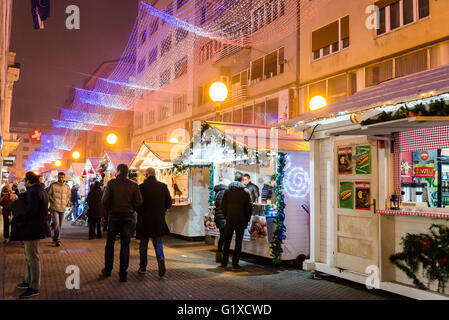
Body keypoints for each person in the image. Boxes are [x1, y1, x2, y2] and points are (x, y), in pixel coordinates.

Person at [12, 172, 51, 299]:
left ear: (28, 180)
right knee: (29, 256)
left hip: (33, 228)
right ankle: (28, 281)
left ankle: (34, 286)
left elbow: (31, 211)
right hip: (35, 228)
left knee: (32, 257)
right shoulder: (40, 190)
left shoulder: (34, 192)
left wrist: (16, 217)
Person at [101, 164, 142, 282]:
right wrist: (131, 209)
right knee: (125, 245)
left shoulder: (111, 183)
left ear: (118, 171)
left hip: (114, 217)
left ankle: (108, 269)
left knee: (110, 244)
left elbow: (104, 201)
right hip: (128, 217)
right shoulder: (133, 185)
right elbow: (139, 202)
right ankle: (123, 273)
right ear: (127, 172)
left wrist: (110, 210)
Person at [136, 167, 172, 277]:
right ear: (155, 174)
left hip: (144, 220)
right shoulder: (163, 186)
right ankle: (161, 262)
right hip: (158, 219)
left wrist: (141, 211)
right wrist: (161, 210)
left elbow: (137, 204)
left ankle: (142, 268)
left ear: (146, 175)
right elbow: (169, 203)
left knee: (143, 244)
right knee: (158, 243)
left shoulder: (141, 187)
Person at [220, 172, 253, 271]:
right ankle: (235, 263)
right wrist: (247, 219)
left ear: (234, 179)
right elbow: (249, 208)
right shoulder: (245, 192)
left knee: (227, 242)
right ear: (242, 180)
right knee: (238, 243)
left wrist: (226, 216)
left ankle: (224, 262)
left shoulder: (227, 192)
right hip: (241, 221)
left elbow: (223, 206)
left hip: (229, 220)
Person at [47, 172, 71, 247]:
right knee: (56, 223)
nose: (61, 179)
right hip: (54, 207)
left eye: (62, 177)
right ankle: (58, 239)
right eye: (60, 177)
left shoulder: (67, 186)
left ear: (64, 177)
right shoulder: (53, 185)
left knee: (60, 225)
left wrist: (67, 202)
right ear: (57, 177)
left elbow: (69, 195)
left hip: (63, 208)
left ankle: (55, 237)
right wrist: (53, 201)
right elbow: (48, 194)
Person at [213, 178, 230, 263]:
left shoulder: (218, 192)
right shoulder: (224, 192)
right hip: (223, 217)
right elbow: (225, 206)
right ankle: (223, 257)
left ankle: (219, 255)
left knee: (222, 236)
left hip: (219, 217)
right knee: (224, 237)